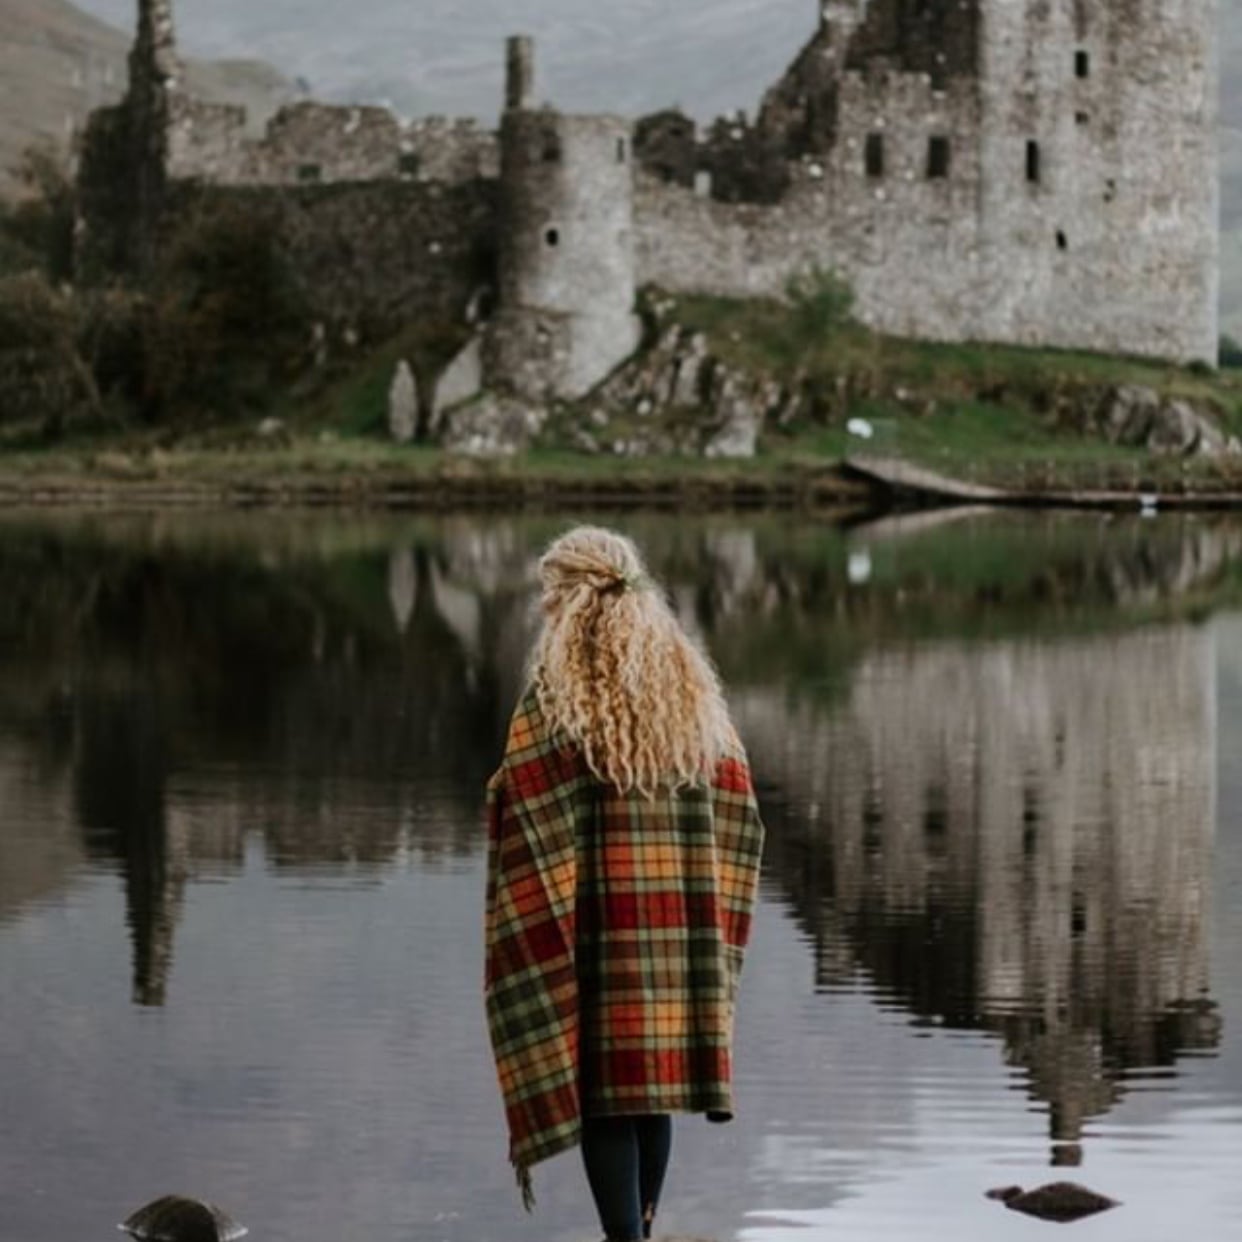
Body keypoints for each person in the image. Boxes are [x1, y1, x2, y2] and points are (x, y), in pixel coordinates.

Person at [483, 525, 766, 1241]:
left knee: (607, 1096)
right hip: (677, 930)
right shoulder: (693, 695)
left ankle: (624, 1241)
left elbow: (524, 798)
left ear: (570, 599)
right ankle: (641, 1228)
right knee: (654, 1090)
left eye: (552, 597)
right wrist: (709, 904)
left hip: (602, 930)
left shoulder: (558, 702)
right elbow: (741, 809)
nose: (547, 611)